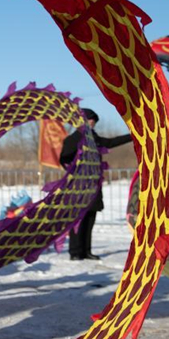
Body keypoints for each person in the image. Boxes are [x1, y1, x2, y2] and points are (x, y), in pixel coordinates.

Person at [60, 108, 132, 261]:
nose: (93, 123)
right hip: (78, 187)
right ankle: (75, 251)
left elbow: (110, 142)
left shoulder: (93, 138)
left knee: (90, 218)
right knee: (77, 220)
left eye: (94, 121)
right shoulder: (73, 139)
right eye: (91, 120)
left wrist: (132, 136)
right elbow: (64, 159)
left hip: (93, 185)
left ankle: (86, 250)